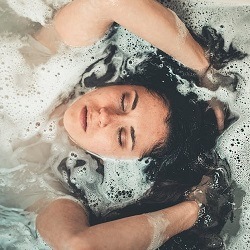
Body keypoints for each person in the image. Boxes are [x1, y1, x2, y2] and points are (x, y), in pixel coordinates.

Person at [1, 0, 243, 249]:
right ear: (123, 81)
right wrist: (206, 71)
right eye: (125, 101)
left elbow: (78, 244)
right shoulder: (44, 63)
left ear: (116, 163)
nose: (105, 116)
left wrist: (194, 209)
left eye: (122, 137)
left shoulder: (43, 185)